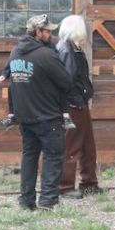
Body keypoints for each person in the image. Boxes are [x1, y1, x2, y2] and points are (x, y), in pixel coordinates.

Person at [9, 14, 72, 210]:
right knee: (53, 156)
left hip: (25, 116)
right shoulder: (46, 55)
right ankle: (47, 201)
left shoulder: (15, 53)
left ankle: (26, 201)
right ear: (38, 33)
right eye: (47, 31)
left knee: (29, 156)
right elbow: (66, 82)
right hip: (47, 116)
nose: (51, 35)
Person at [57, 15, 102, 199]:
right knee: (72, 146)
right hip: (73, 105)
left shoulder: (74, 49)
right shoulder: (66, 50)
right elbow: (66, 81)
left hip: (79, 103)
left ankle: (89, 182)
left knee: (87, 146)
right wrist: (76, 101)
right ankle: (65, 186)